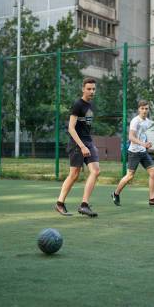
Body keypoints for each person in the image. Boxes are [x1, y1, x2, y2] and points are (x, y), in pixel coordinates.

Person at [55, 77, 100, 217]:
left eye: (93, 89)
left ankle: (84, 205)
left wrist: (89, 145)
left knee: (96, 171)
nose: (92, 91)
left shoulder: (91, 106)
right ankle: (60, 203)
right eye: (89, 89)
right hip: (77, 144)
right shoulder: (77, 105)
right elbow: (71, 128)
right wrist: (82, 146)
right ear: (83, 89)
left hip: (88, 142)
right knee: (74, 175)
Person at [112, 100, 154, 207]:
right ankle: (115, 193)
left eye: (146, 108)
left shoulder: (148, 122)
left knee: (153, 172)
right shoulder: (135, 121)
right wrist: (143, 144)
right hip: (134, 152)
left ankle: (152, 199)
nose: (144, 111)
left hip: (143, 152)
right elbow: (131, 137)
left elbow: (150, 131)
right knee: (129, 176)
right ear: (139, 109)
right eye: (142, 108)